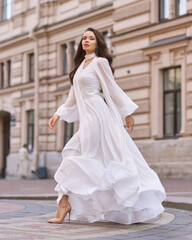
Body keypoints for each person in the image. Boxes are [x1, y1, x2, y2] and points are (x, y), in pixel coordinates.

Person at [48, 28, 166, 225]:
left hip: (99, 117)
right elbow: (72, 98)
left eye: (91, 38)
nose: (86, 40)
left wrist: (126, 112)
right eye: (84, 38)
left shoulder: (99, 62)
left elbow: (112, 88)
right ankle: (65, 203)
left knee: (75, 154)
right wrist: (58, 113)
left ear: (98, 43)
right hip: (87, 118)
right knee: (80, 156)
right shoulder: (79, 67)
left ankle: (64, 205)